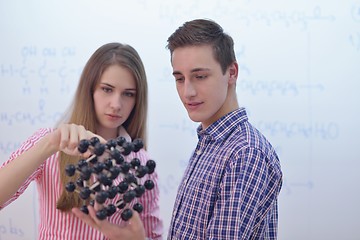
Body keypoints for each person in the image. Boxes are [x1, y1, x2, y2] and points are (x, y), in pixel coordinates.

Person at [73, 18, 283, 239]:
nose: (187, 92)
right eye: (179, 78)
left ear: (232, 73)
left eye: (200, 76)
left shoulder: (244, 153)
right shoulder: (211, 144)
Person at [0, 42, 163, 239]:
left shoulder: (141, 162)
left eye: (128, 94)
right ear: (90, 90)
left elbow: (151, 235)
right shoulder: (52, 142)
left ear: (138, 100)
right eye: (107, 89)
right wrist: (49, 145)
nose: (116, 104)